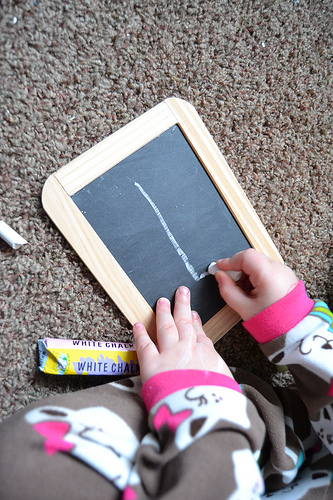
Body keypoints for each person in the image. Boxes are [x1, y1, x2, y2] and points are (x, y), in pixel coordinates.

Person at [0, 249, 332, 499]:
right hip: (280, 437)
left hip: (219, 460)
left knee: (26, 468)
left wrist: (205, 405)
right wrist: (297, 327)